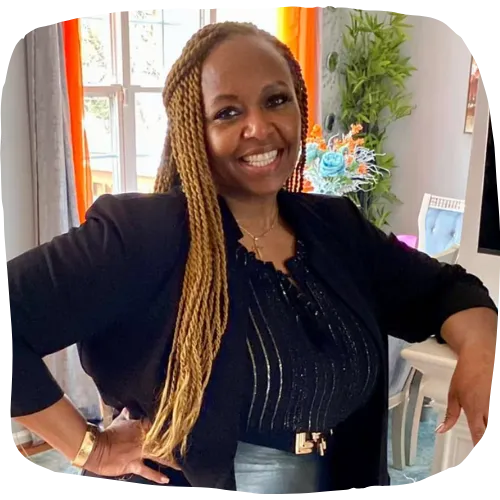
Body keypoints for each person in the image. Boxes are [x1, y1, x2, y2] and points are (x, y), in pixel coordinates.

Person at [8, 22, 497, 494]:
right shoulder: (144, 235)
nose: (259, 127)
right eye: (227, 112)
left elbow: (445, 289)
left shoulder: (333, 227)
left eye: (275, 100)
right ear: (193, 129)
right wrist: (91, 449)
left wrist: (478, 347)